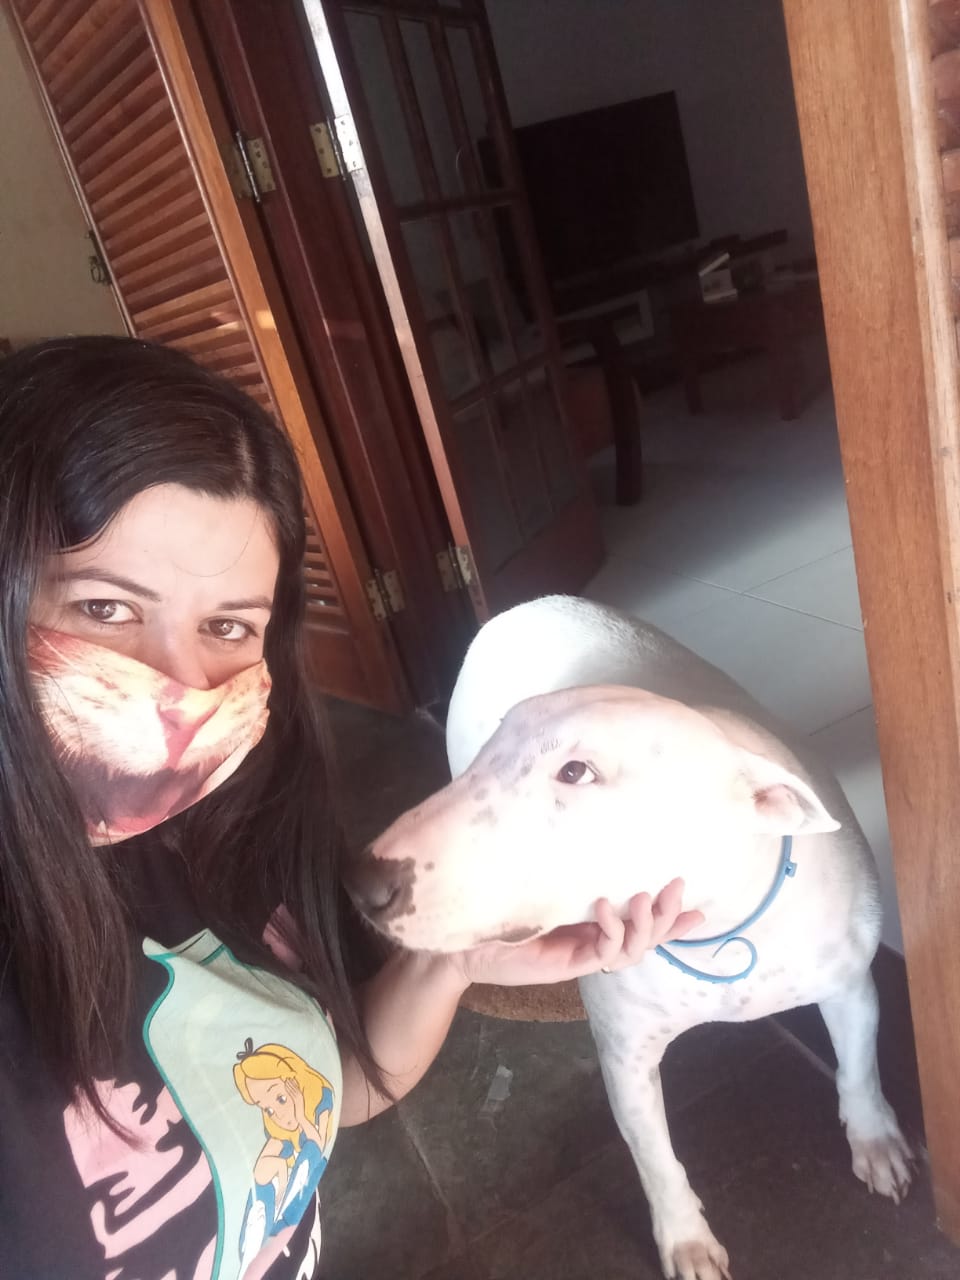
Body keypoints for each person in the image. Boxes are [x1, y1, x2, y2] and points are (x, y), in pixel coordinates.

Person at [0, 335, 701, 1280]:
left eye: (227, 626)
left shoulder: (232, 835)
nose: (179, 687)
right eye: (105, 609)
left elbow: (331, 1085)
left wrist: (447, 962)